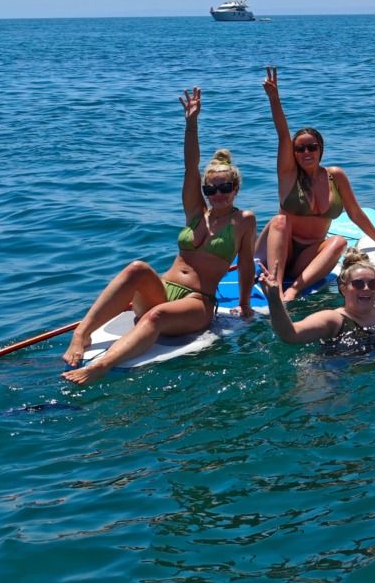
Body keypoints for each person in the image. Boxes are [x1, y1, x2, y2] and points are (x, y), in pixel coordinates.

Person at [61, 89, 255, 384]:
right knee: (137, 268)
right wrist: (191, 123)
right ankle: (81, 334)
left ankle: (100, 366)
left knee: (156, 318)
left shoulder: (244, 220)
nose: (217, 195)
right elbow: (190, 166)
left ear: (236, 189)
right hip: (162, 291)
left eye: (224, 188)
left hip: (196, 303)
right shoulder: (195, 212)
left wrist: (245, 304)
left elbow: (246, 265)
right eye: (210, 190)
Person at [261, 67, 375, 301]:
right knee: (279, 221)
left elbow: (356, 214)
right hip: (280, 249)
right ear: (294, 152)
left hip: (309, 255)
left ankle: (295, 290)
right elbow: (282, 133)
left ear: (321, 149)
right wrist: (274, 99)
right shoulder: (288, 174)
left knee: (338, 242)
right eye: (300, 148)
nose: (306, 152)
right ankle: (276, 288)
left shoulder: (335, 176)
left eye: (312, 147)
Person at [261, 248, 375, 348]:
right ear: (343, 289)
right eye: (358, 284)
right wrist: (274, 300)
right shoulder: (333, 319)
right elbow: (291, 335)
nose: (367, 288)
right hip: (330, 371)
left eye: (373, 283)